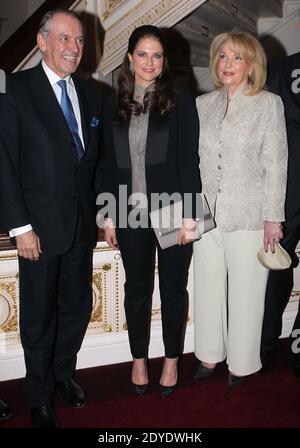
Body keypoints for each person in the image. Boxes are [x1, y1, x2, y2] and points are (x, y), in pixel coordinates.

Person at [0, 10, 102, 427]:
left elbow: (95, 166)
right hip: (37, 232)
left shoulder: (93, 94)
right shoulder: (15, 89)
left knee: (75, 308)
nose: (73, 48)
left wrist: (105, 214)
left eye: (79, 41)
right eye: (64, 39)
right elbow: (4, 162)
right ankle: (39, 395)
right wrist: (20, 226)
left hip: (81, 228)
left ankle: (64, 374)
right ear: (41, 42)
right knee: (39, 318)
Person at [99, 25, 201, 398]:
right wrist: (107, 216)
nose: (149, 62)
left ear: (164, 60)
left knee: (173, 288)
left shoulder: (181, 100)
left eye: (156, 55)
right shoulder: (112, 103)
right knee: (137, 289)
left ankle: (171, 358)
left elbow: (190, 161)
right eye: (142, 54)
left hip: (174, 210)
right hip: (129, 212)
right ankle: (139, 358)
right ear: (129, 57)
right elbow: (107, 165)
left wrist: (191, 214)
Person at [193, 32, 288, 386]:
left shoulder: (268, 104)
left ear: (251, 65)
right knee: (206, 283)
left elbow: (276, 164)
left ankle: (242, 364)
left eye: (236, 58)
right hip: (205, 212)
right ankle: (207, 355)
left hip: (249, 211)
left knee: (247, 289)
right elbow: (194, 161)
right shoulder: (203, 104)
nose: (227, 64)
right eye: (222, 57)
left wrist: (272, 218)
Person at [261, 52, 300, 377]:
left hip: (287, 188)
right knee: (274, 267)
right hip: (285, 191)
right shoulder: (279, 69)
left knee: (275, 269)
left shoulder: (279, 69)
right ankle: (265, 342)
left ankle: (265, 343)